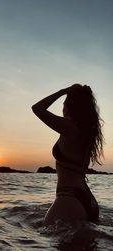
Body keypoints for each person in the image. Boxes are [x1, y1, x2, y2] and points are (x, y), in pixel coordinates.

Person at [32, 84, 104, 225]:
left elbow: (37, 108)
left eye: (64, 103)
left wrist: (62, 91)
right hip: (88, 200)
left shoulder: (69, 126)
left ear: (70, 106)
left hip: (69, 198)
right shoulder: (88, 133)